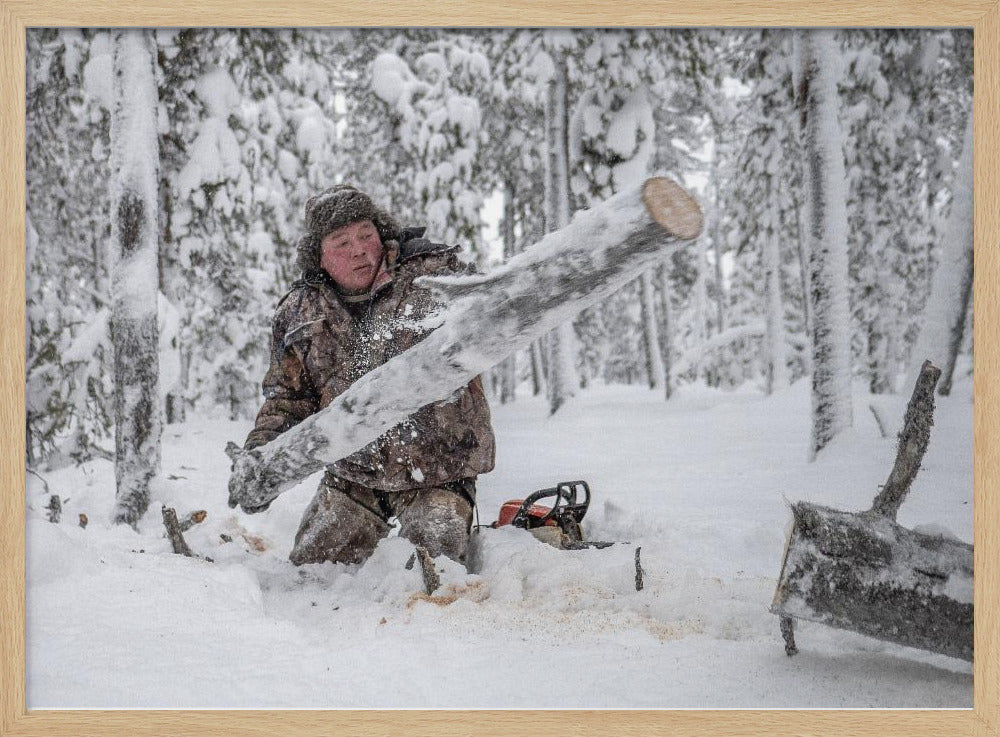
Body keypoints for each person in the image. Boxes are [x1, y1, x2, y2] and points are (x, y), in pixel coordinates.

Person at [242, 185, 495, 567]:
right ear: (319, 257)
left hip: (439, 468)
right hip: (355, 473)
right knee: (311, 576)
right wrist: (260, 460)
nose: (359, 249)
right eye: (341, 242)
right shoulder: (299, 313)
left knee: (431, 577)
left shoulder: (434, 275)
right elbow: (287, 400)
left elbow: (491, 318)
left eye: (366, 234)